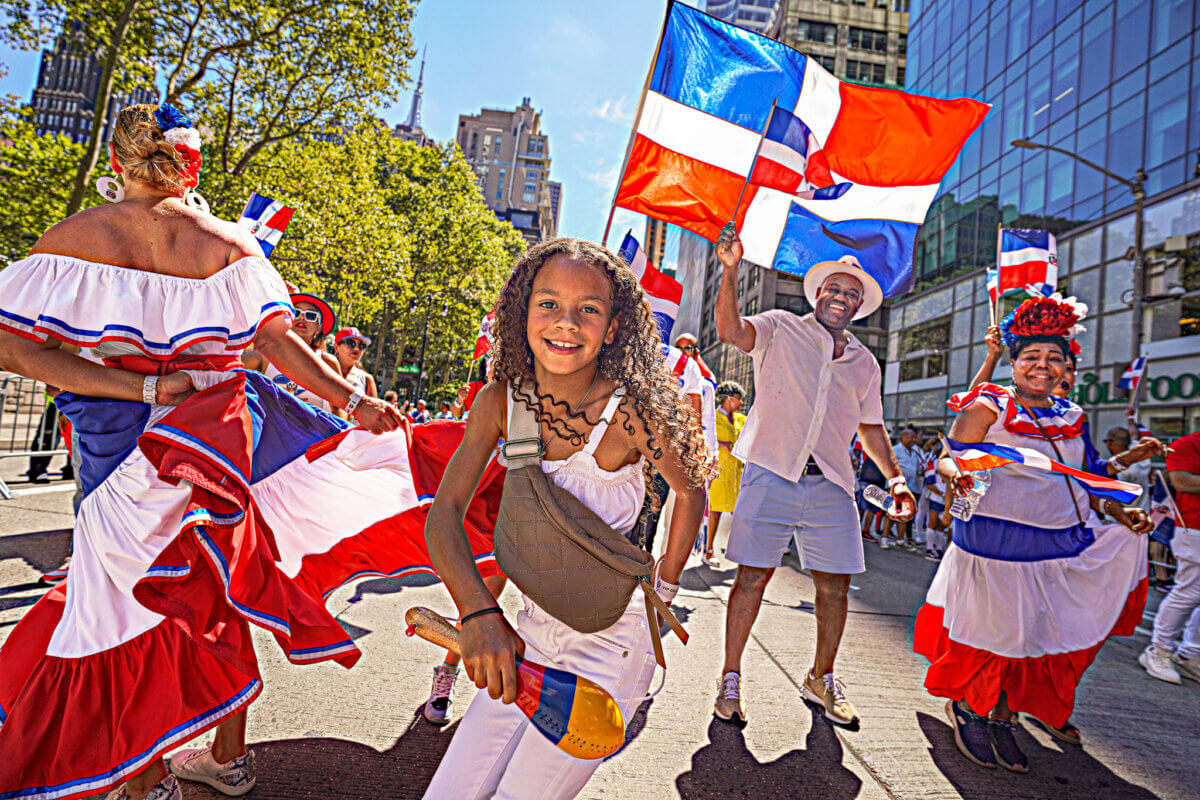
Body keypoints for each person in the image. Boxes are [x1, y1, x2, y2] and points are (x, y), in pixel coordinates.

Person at [0, 102, 501, 800]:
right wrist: (354, 404)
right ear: (190, 165)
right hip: (218, 457)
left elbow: (10, 344)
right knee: (217, 598)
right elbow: (279, 342)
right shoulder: (224, 243)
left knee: (116, 614)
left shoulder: (76, 239)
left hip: (117, 461)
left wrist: (131, 387)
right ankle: (226, 759)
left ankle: (145, 782)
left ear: (116, 161)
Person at [422, 238, 712, 799]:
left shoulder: (632, 410)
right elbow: (445, 514)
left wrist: (666, 588)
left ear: (615, 325)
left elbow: (691, 488)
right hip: (524, 632)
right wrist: (479, 614)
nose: (566, 323)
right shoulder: (500, 402)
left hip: (613, 645)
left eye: (589, 309)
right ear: (520, 310)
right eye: (548, 303)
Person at [916, 295, 1152, 773]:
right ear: (1016, 363)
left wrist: (1119, 513)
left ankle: (1004, 716)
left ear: (1067, 366)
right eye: (1031, 357)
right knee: (989, 635)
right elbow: (949, 457)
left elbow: (1084, 479)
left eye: (1053, 358)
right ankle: (970, 709)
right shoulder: (989, 404)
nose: (1042, 366)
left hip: (1058, 547)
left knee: (1032, 638)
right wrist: (954, 475)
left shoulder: (1073, 417)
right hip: (995, 545)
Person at [712, 224, 915, 729]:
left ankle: (821, 677)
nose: (841, 298)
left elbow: (871, 428)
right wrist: (731, 270)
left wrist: (895, 479)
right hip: (771, 472)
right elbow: (732, 333)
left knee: (835, 588)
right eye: (834, 289)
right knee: (751, 579)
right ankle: (730, 679)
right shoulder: (781, 325)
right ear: (818, 293)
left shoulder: (865, 362)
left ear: (860, 305)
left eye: (851, 294)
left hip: (831, 484)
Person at [1141, 430, 1200, 685]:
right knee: (1188, 592)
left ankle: (1190, 654)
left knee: (1193, 593)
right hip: (1194, 527)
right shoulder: (1187, 444)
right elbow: (1181, 481)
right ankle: (1159, 650)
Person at [241, 291, 339, 412]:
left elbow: (340, 411)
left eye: (311, 315)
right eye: (296, 312)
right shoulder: (265, 356)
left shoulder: (329, 363)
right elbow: (226, 369)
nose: (302, 317)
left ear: (318, 329)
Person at [704, 381, 746, 567]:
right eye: (738, 399)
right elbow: (705, 435)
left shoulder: (740, 419)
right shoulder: (713, 417)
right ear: (728, 399)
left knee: (741, 514)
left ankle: (742, 552)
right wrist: (722, 445)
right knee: (715, 511)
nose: (740, 403)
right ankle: (708, 551)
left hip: (736, 473)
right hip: (719, 471)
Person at [882, 427, 923, 550]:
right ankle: (884, 540)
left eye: (914, 437)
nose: (913, 440)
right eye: (911, 437)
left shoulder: (915, 453)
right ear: (903, 437)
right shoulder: (895, 450)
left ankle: (900, 540)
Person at [333, 327, 378, 401]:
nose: (356, 349)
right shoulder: (320, 368)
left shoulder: (367, 380)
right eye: (350, 343)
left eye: (361, 346)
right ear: (336, 347)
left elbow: (373, 410)